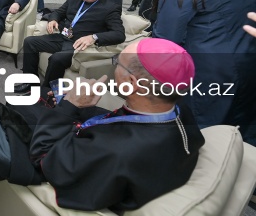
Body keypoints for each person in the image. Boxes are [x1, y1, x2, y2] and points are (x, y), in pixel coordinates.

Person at [18, 38, 205, 211]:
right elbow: (122, 122)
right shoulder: (179, 113)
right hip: (102, 138)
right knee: (43, 93)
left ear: (131, 82)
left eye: (117, 62)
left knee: (21, 105)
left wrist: (70, 106)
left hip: (65, 154)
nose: (115, 67)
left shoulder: (117, 152)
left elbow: (43, 157)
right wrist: (75, 104)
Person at [151, 0, 256, 145]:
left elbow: (166, 42)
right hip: (247, 64)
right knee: (242, 133)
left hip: (206, 73)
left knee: (203, 137)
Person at [21, 0, 125, 91]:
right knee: (29, 42)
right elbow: (58, 12)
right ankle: (30, 83)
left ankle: (46, 92)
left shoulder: (110, 8)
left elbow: (119, 34)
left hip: (78, 47)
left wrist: (93, 37)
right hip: (63, 37)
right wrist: (53, 20)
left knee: (57, 59)